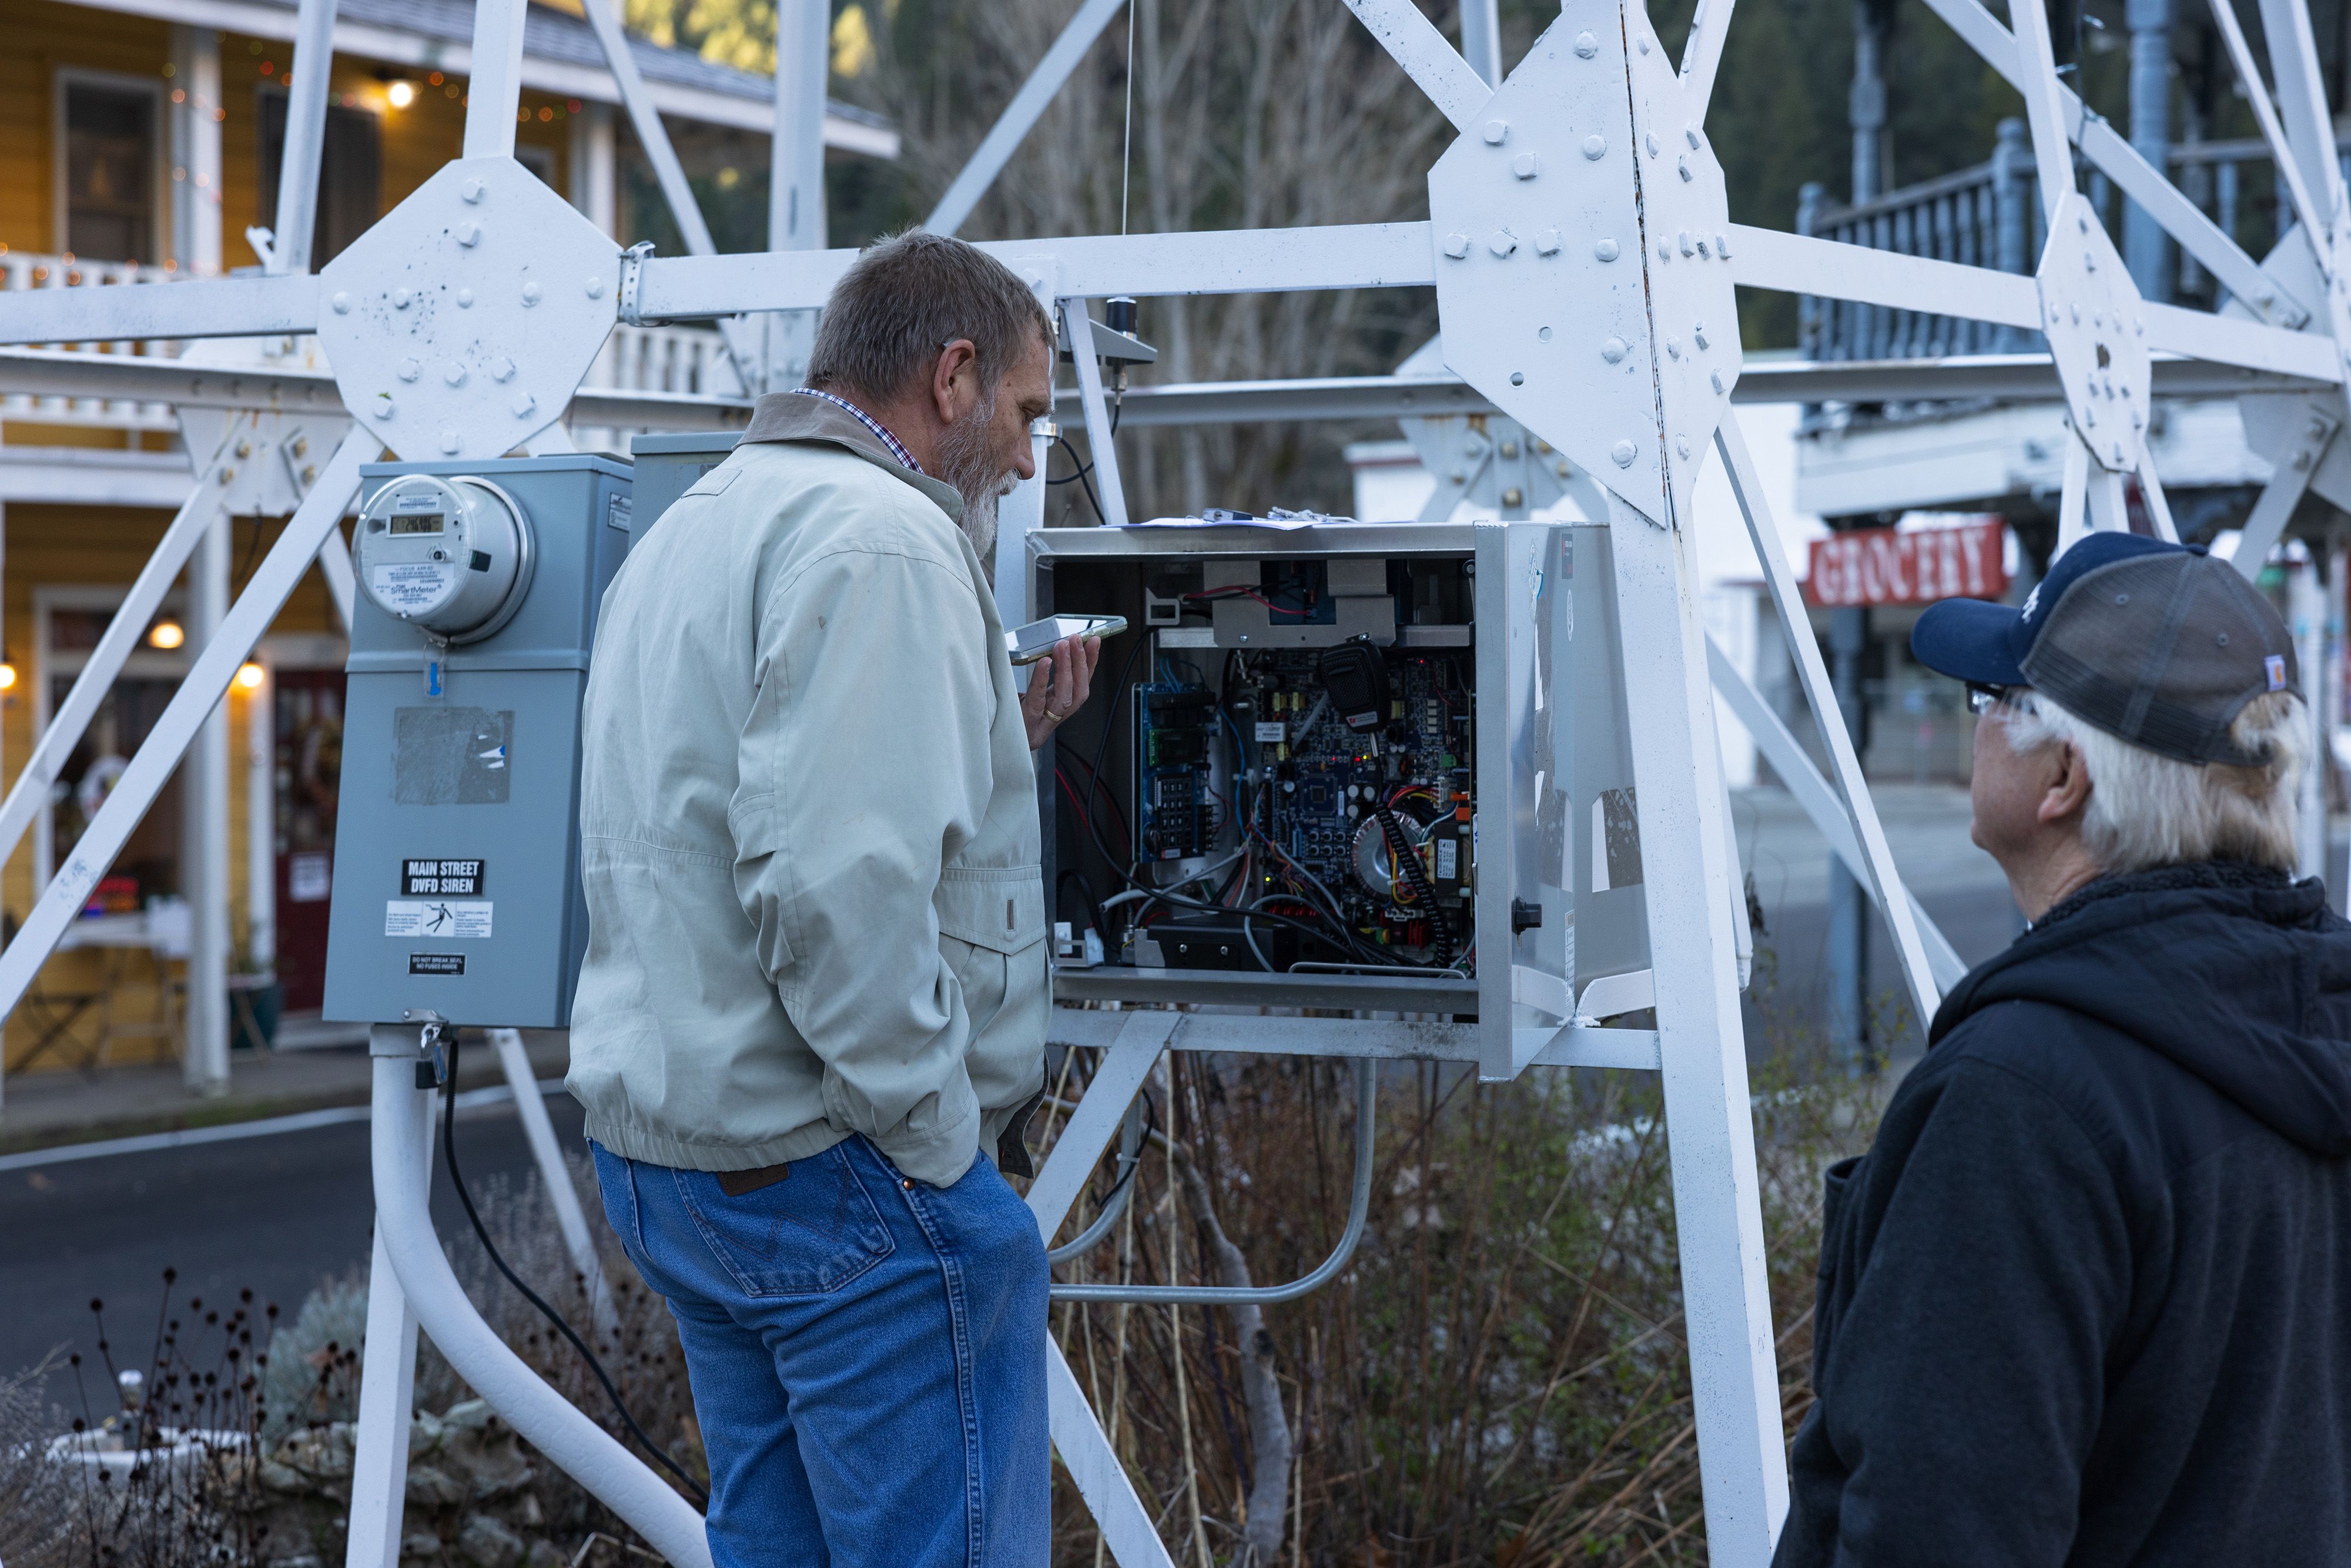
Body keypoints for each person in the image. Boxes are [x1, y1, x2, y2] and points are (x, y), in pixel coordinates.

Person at [566, 231, 1100, 1568]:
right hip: (833, 1170)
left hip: (677, 1157)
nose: (1031, 460)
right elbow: (829, 888)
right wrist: (932, 1140)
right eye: (1030, 414)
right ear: (954, 374)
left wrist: (983, 741)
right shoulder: (887, 542)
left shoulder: (696, 523)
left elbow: (722, 810)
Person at [1775, 532, 2351, 1566]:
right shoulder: (2324, 1023)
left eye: (1996, 696)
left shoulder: (2024, 1102)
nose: (1981, 727)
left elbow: (1939, 1531)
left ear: (2063, 778)